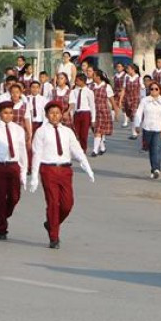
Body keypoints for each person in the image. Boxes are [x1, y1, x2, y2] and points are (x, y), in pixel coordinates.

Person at [30, 100, 95, 249]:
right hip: (48, 169)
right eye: (51, 113)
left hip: (65, 170)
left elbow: (77, 150)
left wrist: (87, 167)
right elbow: (37, 154)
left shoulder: (67, 131)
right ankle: (54, 237)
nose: (55, 116)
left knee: (67, 204)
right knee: (53, 203)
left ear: (61, 115)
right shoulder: (41, 132)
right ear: (46, 115)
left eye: (57, 113)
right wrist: (34, 176)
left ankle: (51, 224)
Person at [0, 100, 29, 240]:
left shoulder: (18, 129)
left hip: (13, 164)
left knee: (15, 196)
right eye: (5, 113)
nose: (8, 115)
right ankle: (1, 228)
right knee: (0, 197)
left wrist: (24, 170)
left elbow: (22, 150)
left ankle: (4, 214)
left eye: (10, 113)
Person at [133, 81, 161, 178]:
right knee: (151, 149)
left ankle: (157, 169)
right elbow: (139, 113)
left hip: (159, 129)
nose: (154, 91)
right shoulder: (145, 100)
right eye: (151, 89)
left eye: (156, 89)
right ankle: (153, 168)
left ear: (160, 90)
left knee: (156, 149)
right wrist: (137, 125)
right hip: (147, 128)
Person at [89, 71, 117, 157]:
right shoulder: (91, 86)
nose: (92, 77)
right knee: (96, 130)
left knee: (98, 130)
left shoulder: (106, 86)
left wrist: (115, 110)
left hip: (103, 110)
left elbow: (112, 100)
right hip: (93, 110)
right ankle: (102, 147)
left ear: (98, 77)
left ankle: (94, 150)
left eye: (93, 75)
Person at [69, 73, 96, 151]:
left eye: (77, 81)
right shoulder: (73, 91)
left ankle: (83, 148)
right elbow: (72, 103)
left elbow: (92, 106)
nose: (76, 82)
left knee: (84, 134)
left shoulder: (89, 92)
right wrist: (71, 115)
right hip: (77, 113)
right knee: (76, 133)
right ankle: (77, 149)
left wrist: (93, 119)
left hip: (85, 113)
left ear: (83, 81)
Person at [121, 64, 143, 140]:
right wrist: (121, 100)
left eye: (129, 69)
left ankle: (134, 133)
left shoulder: (139, 78)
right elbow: (123, 89)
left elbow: (142, 88)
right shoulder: (126, 78)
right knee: (130, 115)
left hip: (136, 98)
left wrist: (143, 99)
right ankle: (134, 130)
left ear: (133, 69)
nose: (127, 70)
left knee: (134, 115)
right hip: (128, 99)